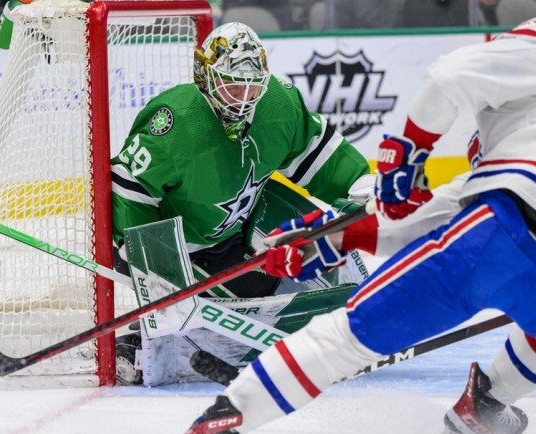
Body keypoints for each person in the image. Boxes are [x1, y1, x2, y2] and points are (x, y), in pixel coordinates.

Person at [177, 16, 536, 434]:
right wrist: (339, 238)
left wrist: (410, 151)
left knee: (343, 340)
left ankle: (226, 418)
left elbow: (447, 76)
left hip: (499, 239)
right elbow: (440, 213)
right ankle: (490, 400)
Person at [111, 22, 371, 384]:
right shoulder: (175, 122)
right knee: (230, 322)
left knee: (308, 268)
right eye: (233, 84)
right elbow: (129, 184)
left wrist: (358, 182)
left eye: (253, 85)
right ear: (205, 76)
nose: (244, 96)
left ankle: (357, 320)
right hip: (180, 248)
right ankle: (138, 349)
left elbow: (316, 153)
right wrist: (147, 257)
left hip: (241, 226)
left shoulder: (278, 104)